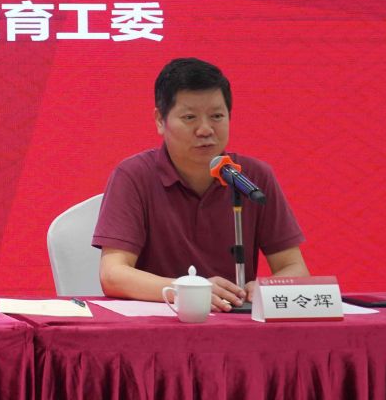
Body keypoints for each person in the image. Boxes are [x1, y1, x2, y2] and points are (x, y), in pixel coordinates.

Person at [93, 56, 309, 313]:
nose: (205, 129)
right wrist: (189, 290)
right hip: (161, 322)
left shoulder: (253, 177)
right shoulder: (134, 176)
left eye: (217, 116)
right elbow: (113, 275)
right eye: (189, 117)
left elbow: (295, 268)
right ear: (160, 120)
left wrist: (267, 287)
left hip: (236, 322)